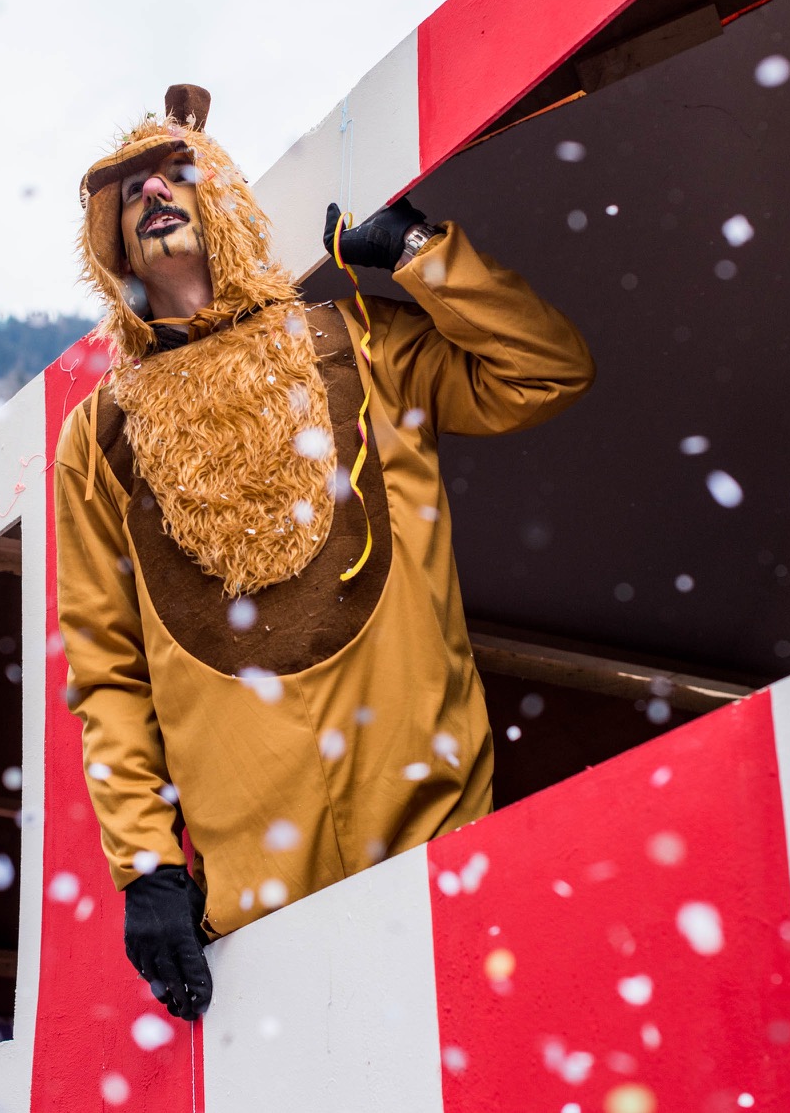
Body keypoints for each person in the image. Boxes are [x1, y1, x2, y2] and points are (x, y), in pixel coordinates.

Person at [55, 85, 594, 1022]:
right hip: (256, 909)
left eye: (177, 174)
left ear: (226, 201)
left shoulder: (359, 339)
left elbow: (544, 372)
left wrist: (421, 253)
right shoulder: (98, 435)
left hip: (433, 833)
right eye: (130, 191)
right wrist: (145, 867)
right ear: (110, 246)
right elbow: (107, 672)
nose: (153, 194)